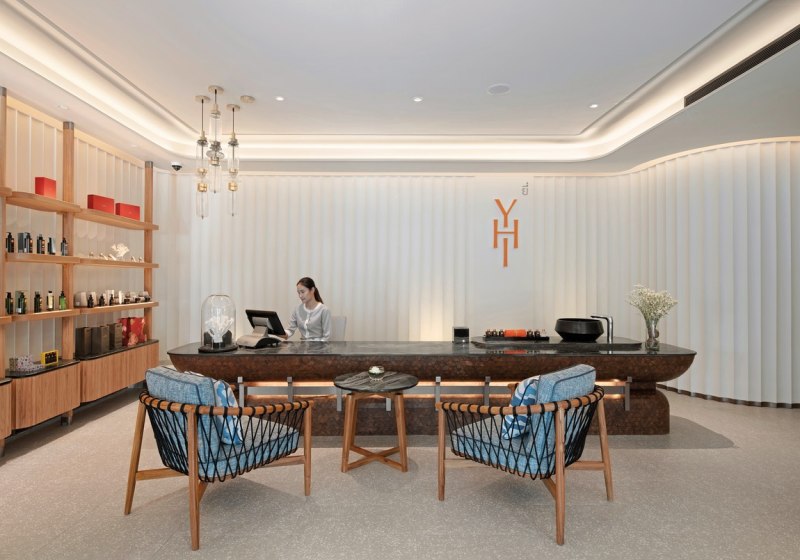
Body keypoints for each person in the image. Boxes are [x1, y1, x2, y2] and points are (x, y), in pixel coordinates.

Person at [283, 277, 331, 341]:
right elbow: (290, 331)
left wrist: (318, 346)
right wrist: (277, 332)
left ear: (312, 290)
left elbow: (326, 337)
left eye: (302, 292)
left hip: (319, 346)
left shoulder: (324, 310)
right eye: (298, 293)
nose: (300, 296)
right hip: (303, 346)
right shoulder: (297, 309)